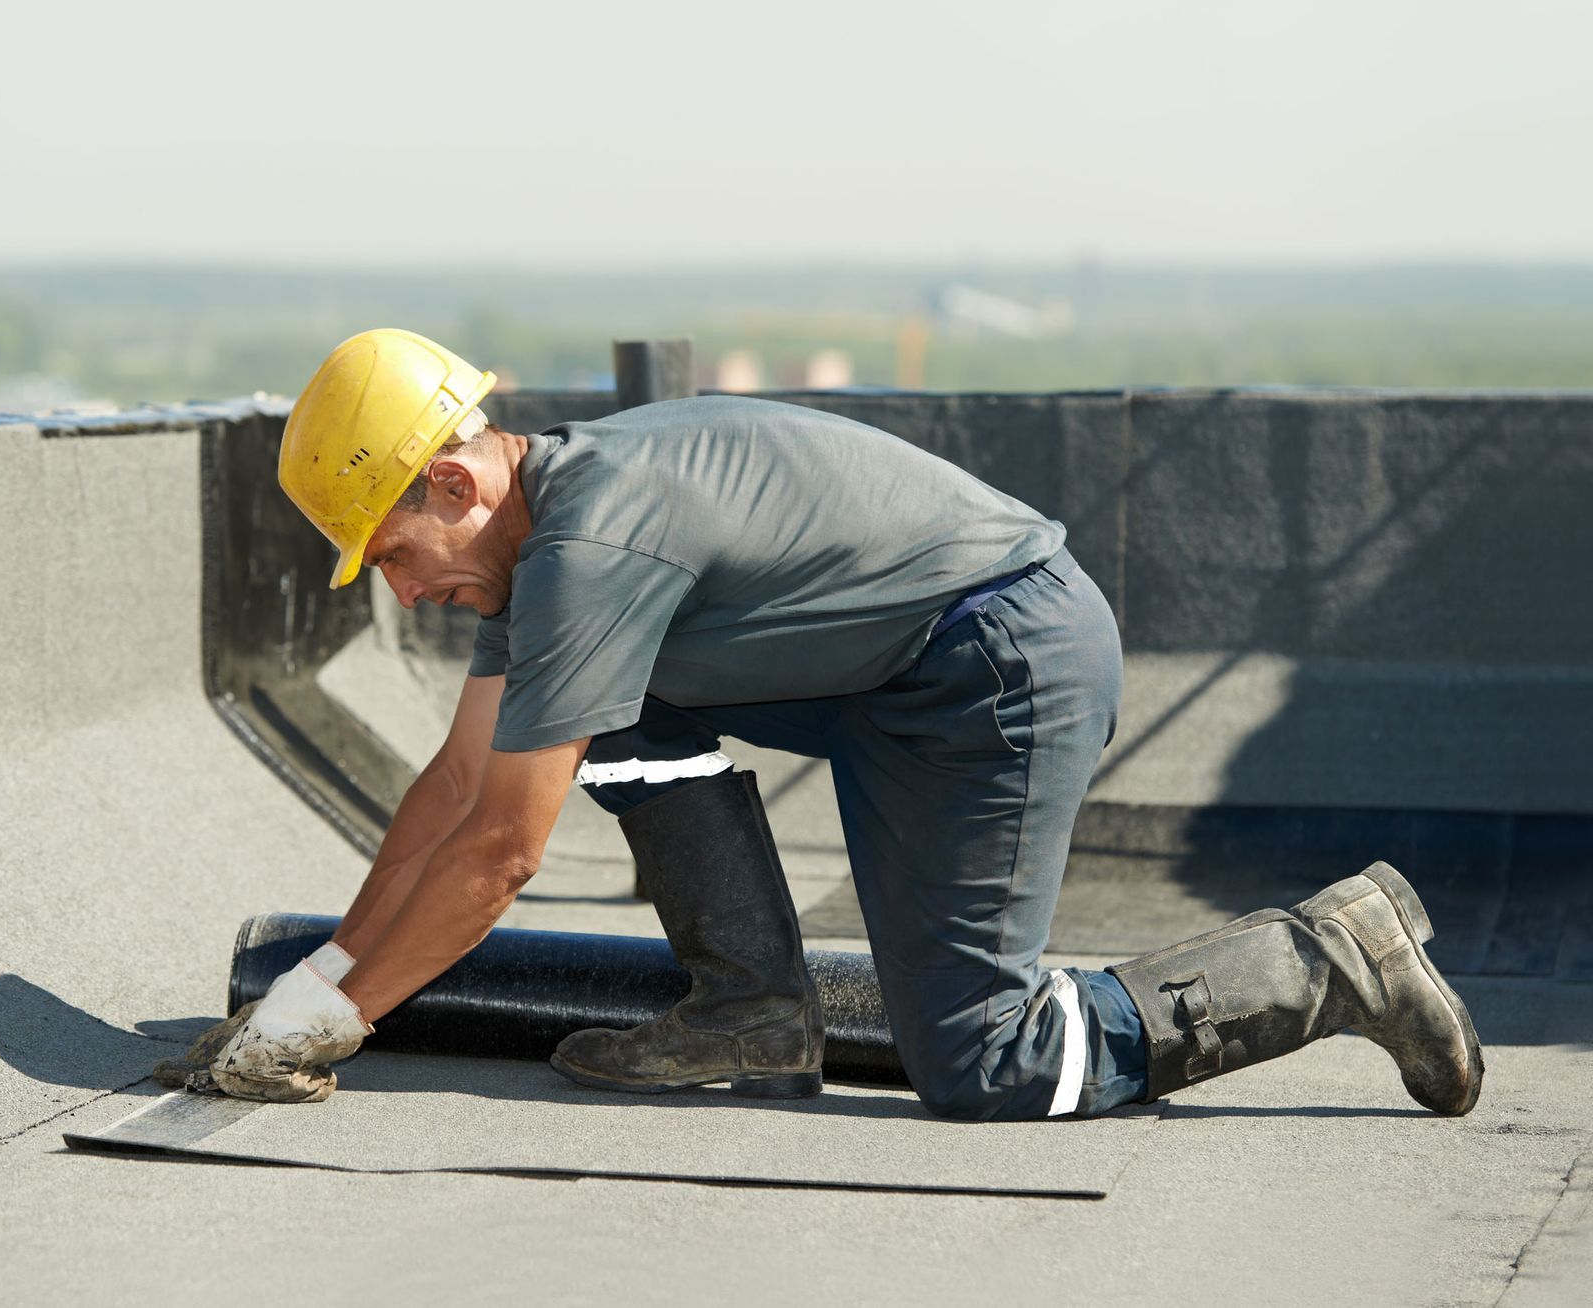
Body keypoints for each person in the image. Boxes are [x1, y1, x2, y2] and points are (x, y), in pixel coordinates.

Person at [204, 328, 1484, 1122]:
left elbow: (499, 856)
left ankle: (1326, 962)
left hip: (997, 670)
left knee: (989, 1063)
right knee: (606, 704)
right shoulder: (541, 549)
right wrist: (317, 982)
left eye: (393, 552)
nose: (404, 589)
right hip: (899, 675)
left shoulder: (591, 543)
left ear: (452, 479)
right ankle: (751, 1007)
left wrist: (333, 1023)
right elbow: (454, 791)